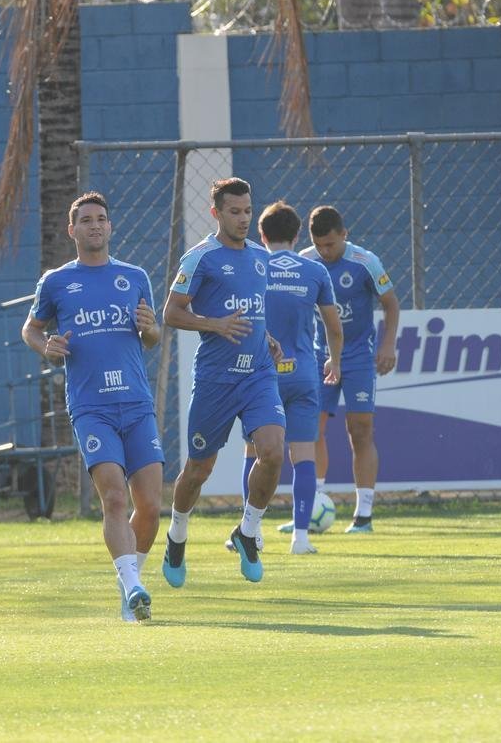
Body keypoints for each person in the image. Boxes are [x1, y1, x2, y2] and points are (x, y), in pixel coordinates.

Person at [23, 191, 164, 623]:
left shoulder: (135, 276)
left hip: (137, 404)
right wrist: (46, 347)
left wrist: (150, 330)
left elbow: (152, 337)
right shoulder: (57, 282)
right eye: (85, 220)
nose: (95, 226)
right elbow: (31, 329)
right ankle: (134, 585)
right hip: (92, 407)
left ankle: (129, 585)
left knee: (152, 506)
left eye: (101, 218)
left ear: (110, 226)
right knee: (115, 498)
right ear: (72, 230)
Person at [161, 177, 284, 587]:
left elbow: (253, 309)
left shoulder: (260, 257)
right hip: (216, 379)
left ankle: (247, 531)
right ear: (216, 213)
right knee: (198, 470)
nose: (244, 218)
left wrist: (267, 339)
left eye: (248, 211)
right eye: (235, 211)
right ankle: (177, 535)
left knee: (272, 451)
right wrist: (213, 323)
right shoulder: (200, 258)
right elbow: (171, 313)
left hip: (258, 374)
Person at [233, 201, 342, 555]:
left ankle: (253, 532)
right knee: (303, 456)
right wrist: (335, 361)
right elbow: (333, 326)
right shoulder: (314, 271)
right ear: (298, 235)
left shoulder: (252, 267)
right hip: (303, 373)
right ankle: (301, 538)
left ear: (260, 234)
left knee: (255, 451)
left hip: (260, 375)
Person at [298, 205, 398, 533]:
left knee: (360, 431)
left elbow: (390, 303)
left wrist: (387, 344)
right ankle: (313, 504)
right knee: (311, 429)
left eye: (331, 244)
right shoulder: (306, 262)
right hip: (318, 357)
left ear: (344, 235)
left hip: (357, 357)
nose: (325, 251)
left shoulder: (364, 262)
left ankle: (364, 515)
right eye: (319, 244)